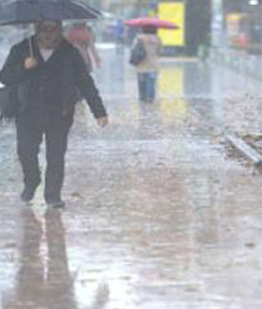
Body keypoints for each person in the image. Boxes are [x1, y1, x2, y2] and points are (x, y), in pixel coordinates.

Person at [0, 20, 109, 208]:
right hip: (27, 112)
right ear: (37, 29)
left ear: (60, 30)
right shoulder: (21, 49)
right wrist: (24, 67)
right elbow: (5, 77)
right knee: (26, 153)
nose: (49, 34)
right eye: (45, 29)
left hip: (60, 112)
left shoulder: (69, 52)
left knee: (56, 156)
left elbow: (85, 82)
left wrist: (99, 112)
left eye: (54, 29)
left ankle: (53, 195)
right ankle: (32, 181)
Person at [132, 25, 162, 103]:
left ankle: (142, 98)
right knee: (151, 83)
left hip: (141, 64)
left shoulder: (138, 38)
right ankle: (150, 98)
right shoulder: (157, 39)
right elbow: (159, 51)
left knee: (141, 83)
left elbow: (133, 49)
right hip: (153, 64)